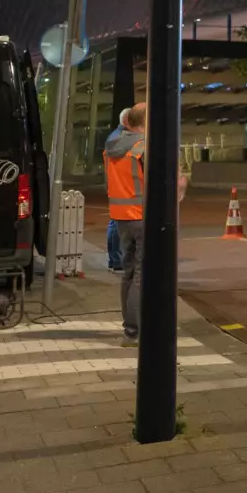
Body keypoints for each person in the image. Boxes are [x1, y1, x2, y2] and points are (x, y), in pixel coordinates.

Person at [103, 102, 186, 346]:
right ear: (147, 122)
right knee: (141, 274)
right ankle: (135, 330)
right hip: (142, 216)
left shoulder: (112, 147)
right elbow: (165, 184)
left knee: (128, 273)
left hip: (121, 217)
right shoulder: (143, 148)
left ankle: (130, 327)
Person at [104, 107, 132, 272]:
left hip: (118, 185)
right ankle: (116, 260)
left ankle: (116, 259)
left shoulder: (115, 137)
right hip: (121, 186)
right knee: (116, 223)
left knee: (117, 222)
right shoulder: (121, 139)